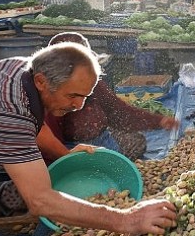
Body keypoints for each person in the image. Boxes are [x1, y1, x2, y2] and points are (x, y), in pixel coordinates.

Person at [0, 42, 176, 236]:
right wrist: (127, 219)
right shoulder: (4, 113)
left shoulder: (27, 73)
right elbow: (40, 201)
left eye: (85, 96)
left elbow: (32, 120)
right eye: (73, 96)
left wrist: (66, 155)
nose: (79, 105)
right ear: (41, 81)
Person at [37, 32, 179, 163]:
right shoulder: (49, 98)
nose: (79, 104)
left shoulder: (91, 82)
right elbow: (47, 144)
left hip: (103, 140)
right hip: (74, 151)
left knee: (138, 140)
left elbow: (118, 111)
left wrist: (158, 121)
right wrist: (67, 156)